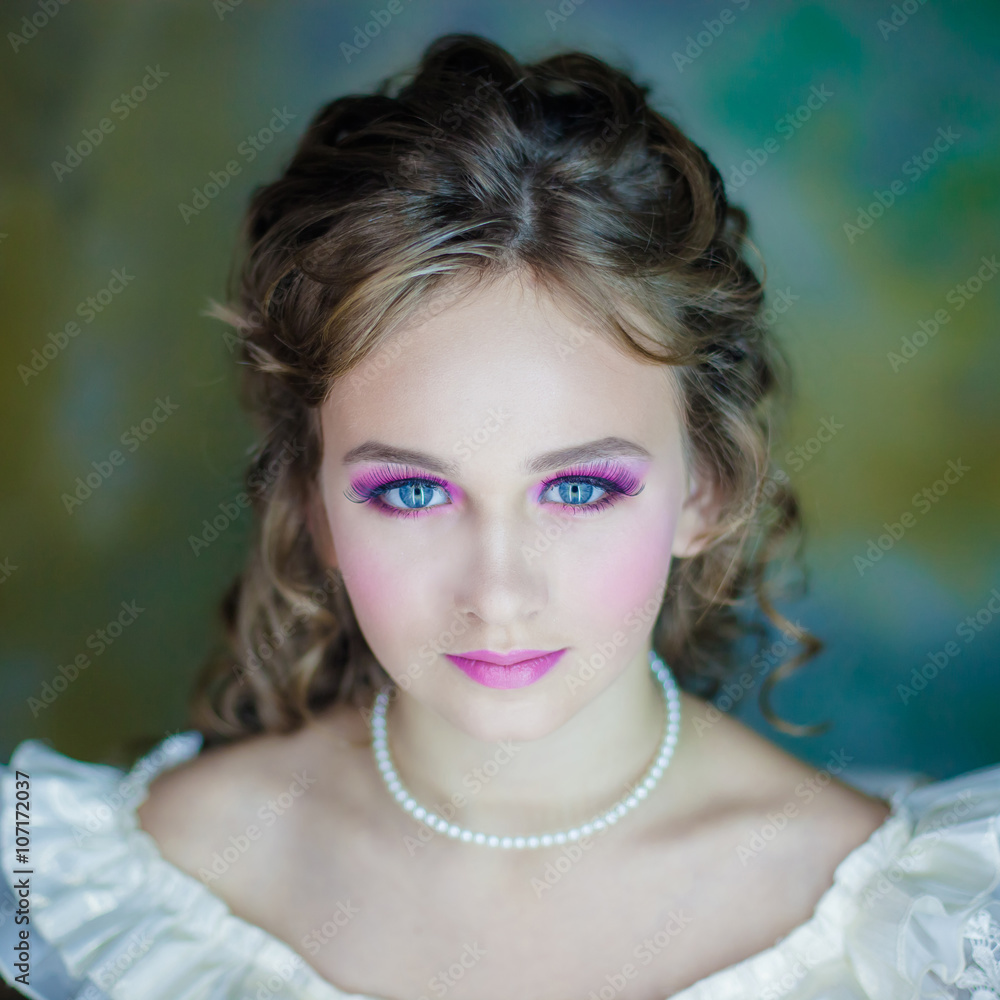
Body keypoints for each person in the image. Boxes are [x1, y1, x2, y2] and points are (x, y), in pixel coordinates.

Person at [2, 32, 999, 1000]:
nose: (498, 591)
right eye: (411, 492)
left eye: (577, 490)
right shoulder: (93, 890)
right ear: (311, 504)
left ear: (706, 487)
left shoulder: (927, 931)